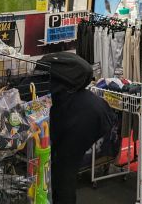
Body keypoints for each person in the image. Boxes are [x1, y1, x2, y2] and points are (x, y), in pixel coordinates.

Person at [43, 51, 117, 204]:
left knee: (65, 170)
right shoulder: (58, 84)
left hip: (84, 120)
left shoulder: (40, 84)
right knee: (63, 166)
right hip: (94, 112)